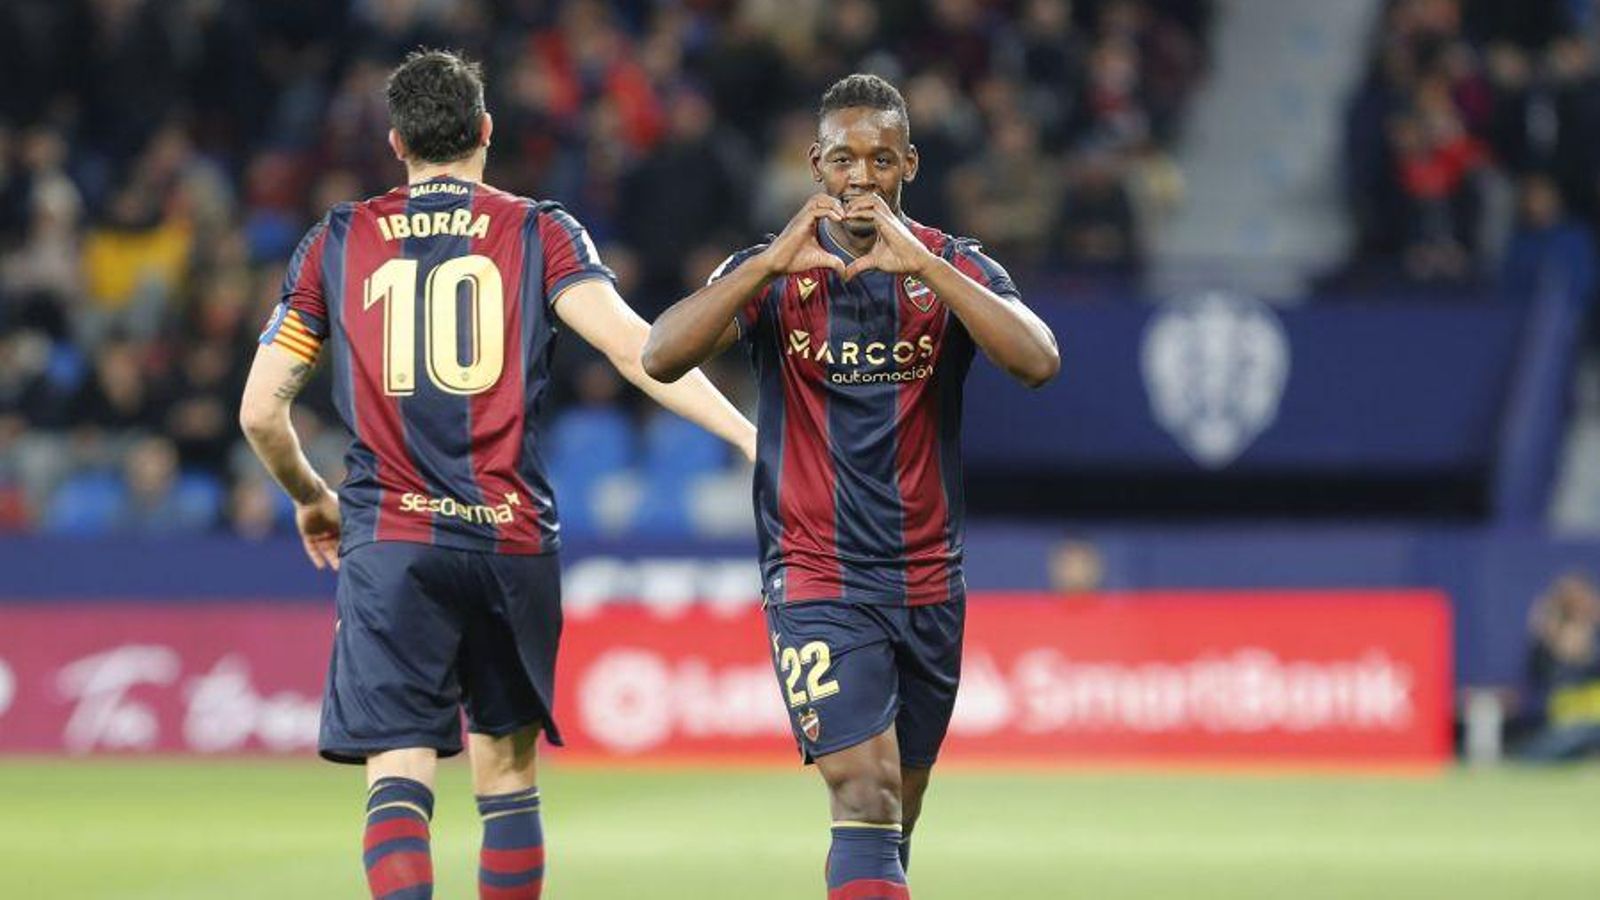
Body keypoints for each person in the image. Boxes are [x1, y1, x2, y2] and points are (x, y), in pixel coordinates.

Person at [238, 50, 755, 900]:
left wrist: (310, 497)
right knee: (507, 778)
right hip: (509, 537)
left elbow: (261, 412)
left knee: (398, 769)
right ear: (485, 131)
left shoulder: (336, 240)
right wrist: (743, 433)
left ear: (397, 142)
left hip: (392, 539)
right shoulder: (539, 230)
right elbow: (638, 349)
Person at [642, 73, 1059, 899]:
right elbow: (659, 355)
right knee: (862, 798)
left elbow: (1039, 361)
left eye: (878, 158)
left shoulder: (952, 265)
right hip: (817, 576)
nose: (860, 176)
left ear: (910, 163)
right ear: (814, 166)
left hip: (930, 581)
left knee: (893, 821)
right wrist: (765, 265)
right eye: (842, 159)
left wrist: (924, 267)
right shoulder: (773, 273)